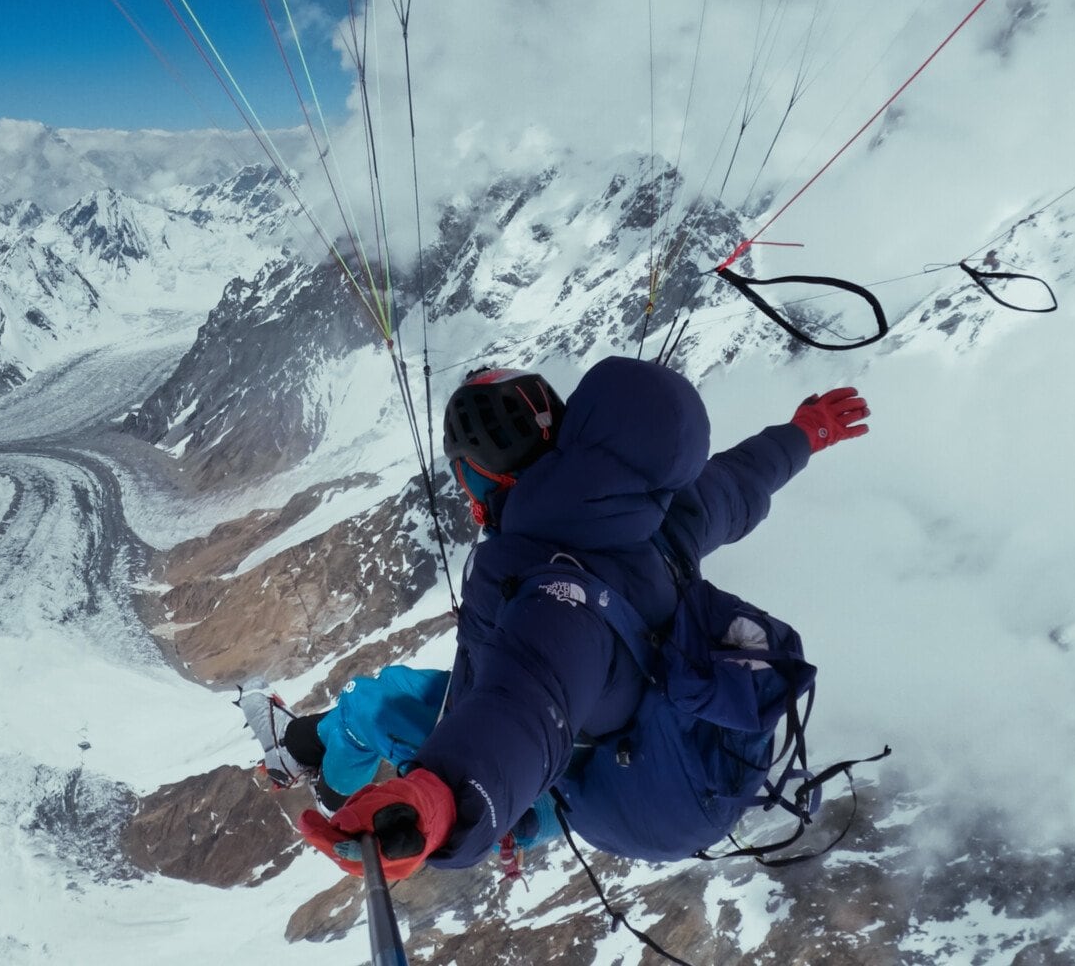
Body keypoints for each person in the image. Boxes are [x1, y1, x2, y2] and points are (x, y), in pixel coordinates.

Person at [288, 358, 871, 880]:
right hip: (668, 746)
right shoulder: (653, 522)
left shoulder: (558, 599)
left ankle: (334, 786)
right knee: (514, 711)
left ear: (487, 478)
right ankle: (525, 812)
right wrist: (807, 433)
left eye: (466, 475)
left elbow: (524, 708)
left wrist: (436, 801)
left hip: (630, 801)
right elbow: (738, 483)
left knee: (384, 702)